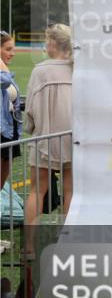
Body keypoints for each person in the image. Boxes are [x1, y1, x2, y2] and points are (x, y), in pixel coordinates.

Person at [24, 25, 74, 248]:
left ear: (52, 44)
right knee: (70, 190)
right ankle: (68, 241)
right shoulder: (78, 69)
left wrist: (30, 127)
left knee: (37, 191)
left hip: (43, 138)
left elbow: (30, 109)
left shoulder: (40, 71)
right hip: (72, 139)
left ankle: (29, 246)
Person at [0, 31, 21, 190]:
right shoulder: (4, 72)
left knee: (4, 173)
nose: (12, 53)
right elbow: (5, 81)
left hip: (9, 128)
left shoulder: (4, 69)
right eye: (8, 49)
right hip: (1, 129)